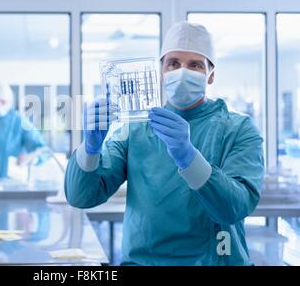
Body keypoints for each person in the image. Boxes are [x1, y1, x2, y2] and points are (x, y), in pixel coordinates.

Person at [65, 21, 264, 265]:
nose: (182, 72)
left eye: (195, 65)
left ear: (211, 75)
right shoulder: (135, 129)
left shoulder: (239, 130)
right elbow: (81, 197)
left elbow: (234, 207)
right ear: (161, 71)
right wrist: (90, 149)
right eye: (173, 63)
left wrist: (189, 158)